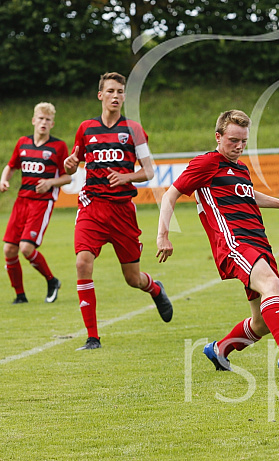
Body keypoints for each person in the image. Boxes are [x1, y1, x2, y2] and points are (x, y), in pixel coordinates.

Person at [156, 110, 279, 374]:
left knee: (261, 323)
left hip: (258, 242)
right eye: (233, 140)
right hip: (233, 242)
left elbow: (248, 194)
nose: (239, 147)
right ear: (218, 137)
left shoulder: (240, 168)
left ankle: (220, 350)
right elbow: (170, 195)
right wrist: (163, 235)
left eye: (243, 141)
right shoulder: (207, 163)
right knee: (272, 284)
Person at [64, 72, 173, 351]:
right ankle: (92, 337)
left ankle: (155, 289)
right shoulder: (86, 128)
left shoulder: (134, 130)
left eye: (120, 92)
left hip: (123, 211)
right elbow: (74, 161)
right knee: (82, 263)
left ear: (124, 96)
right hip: (92, 206)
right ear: (100, 95)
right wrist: (69, 164)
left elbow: (149, 170)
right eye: (110, 91)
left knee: (132, 279)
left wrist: (125, 178)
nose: (116, 96)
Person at [1, 102, 71, 304]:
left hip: (42, 203)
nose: (43, 123)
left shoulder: (58, 146)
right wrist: (4, 179)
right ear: (33, 120)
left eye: (48, 120)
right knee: (9, 250)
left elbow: (67, 178)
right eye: (40, 118)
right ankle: (20, 296)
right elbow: (11, 166)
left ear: (52, 124)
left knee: (26, 248)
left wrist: (50, 182)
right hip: (21, 201)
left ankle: (52, 281)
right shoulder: (23, 143)